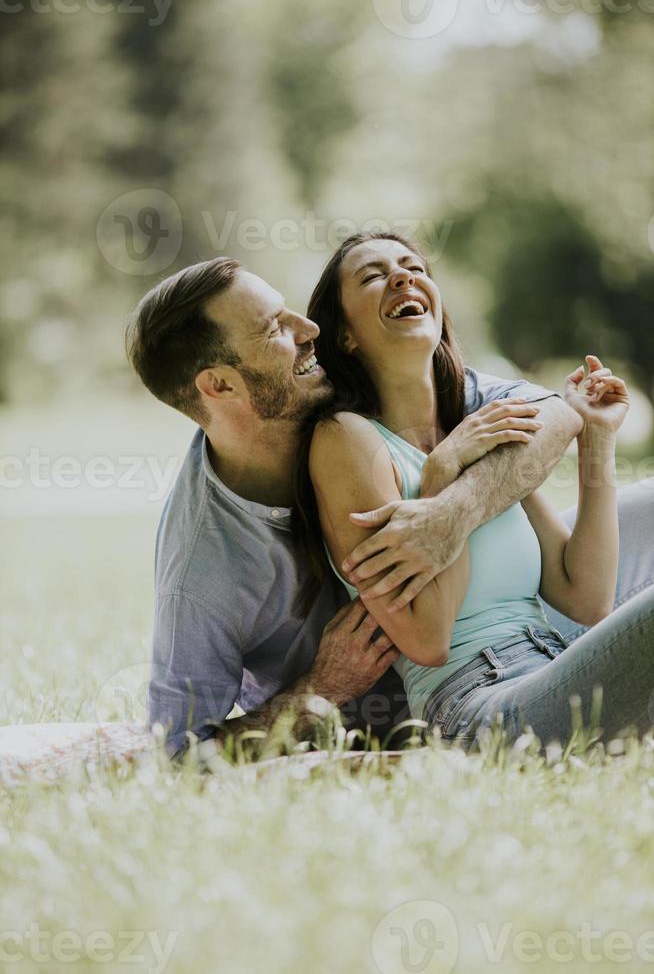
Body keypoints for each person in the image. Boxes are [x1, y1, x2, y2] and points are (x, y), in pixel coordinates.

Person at [125, 254, 648, 760]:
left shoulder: (451, 403)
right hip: (462, 700)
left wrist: (454, 509)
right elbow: (179, 753)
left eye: (416, 268)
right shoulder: (206, 564)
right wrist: (320, 688)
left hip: (542, 650)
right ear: (219, 385)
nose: (308, 330)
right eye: (273, 329)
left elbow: (554, 418)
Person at [298, 231, 654, 748]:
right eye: (374, 276)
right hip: (475, 707)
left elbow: (586, 597)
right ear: (346, 336)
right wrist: (441, 474)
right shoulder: (344, 439)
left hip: (552, 666)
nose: (402, 277)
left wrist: (596, 438)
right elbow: (428, 639)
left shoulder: (482, 430)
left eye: (413, 267)